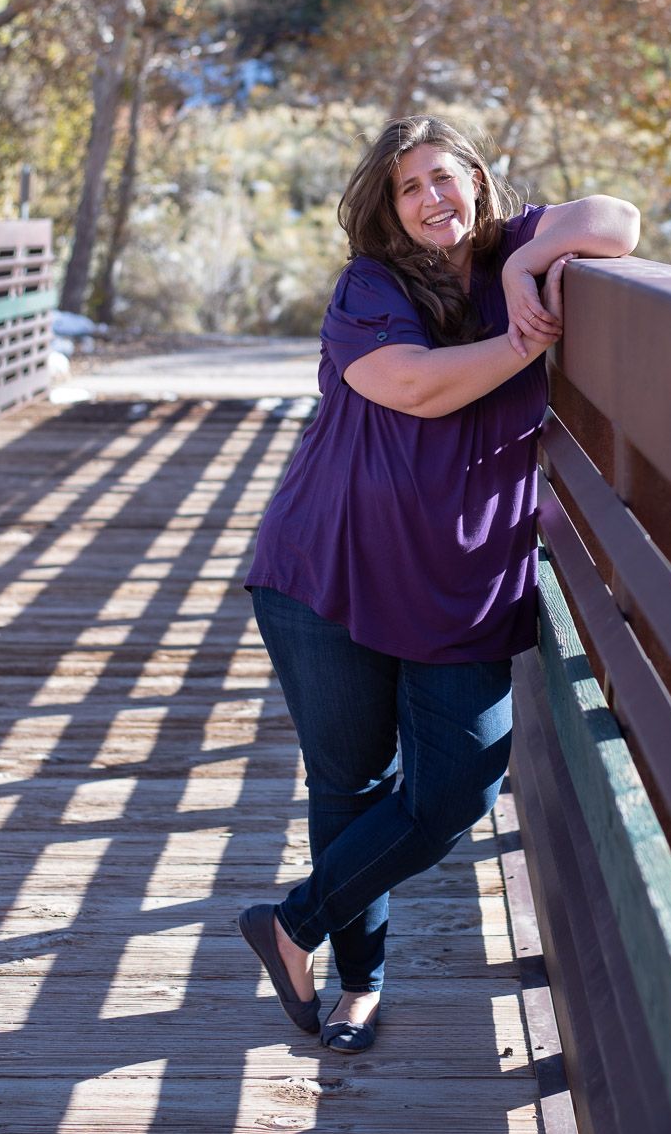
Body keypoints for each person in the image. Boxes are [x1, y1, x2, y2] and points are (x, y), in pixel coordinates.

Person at [239, 114, 639, 1053]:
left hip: (463, 574)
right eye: (408, 187)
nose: (431, 200)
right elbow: (413, 385)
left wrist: (512, 275)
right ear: (389, 207)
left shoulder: (521, 248)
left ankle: (290, 925)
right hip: (329, 566)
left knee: (457, 786)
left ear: (478, 179)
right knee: (349, 779)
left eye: (444, 177)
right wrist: (519, 341)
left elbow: (616, 220)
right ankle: (357, 987)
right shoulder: (367, 288)